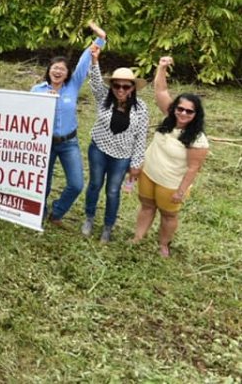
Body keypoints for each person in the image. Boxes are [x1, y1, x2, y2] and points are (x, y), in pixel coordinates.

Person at [31, 21, 107, 227]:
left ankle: (57, 212)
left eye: (62, 69)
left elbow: (85, 59)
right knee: (42, 184)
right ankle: (38, 212)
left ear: (67, 73)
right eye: (55, 68)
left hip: (68, 142)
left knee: (76, 183)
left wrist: (100, 37)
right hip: (43, 143)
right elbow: (27, 115)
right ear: (49, 70)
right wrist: (42, 100)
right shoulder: (37, 89)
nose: (58, 71)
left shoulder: (72, 85)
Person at [131, 57, 209, 258]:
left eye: (189, 111)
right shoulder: (170, 118)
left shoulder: (198, 139)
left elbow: (193, 168)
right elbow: (161, 91)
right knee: (147, 206)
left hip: (171, 183)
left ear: (196, 115)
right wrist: (162, 67)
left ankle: (164, 244)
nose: (183, 113)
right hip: (149, 173)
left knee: (168, 214)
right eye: (180, 108)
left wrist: (181, 191)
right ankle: (138, 237)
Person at [81, 45, 149, 242]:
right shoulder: (104, 98)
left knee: (112, 191)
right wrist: (95, 60)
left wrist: (136, 164)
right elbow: (94, 82)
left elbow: (141, 137)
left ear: (133, 88)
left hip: (122, 156)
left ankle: (108, 227)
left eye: (126, 86)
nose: (121, 90)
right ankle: (89, 217)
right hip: (99, 149)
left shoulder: (141, 109)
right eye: (116, 86)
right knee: (94, 184)